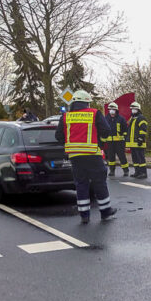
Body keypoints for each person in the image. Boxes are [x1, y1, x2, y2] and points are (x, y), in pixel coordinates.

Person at [54, 90, 117, 224]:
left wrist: (70, 144)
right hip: (92, 155)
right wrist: (100, 142)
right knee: (99, 182)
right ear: (87, 103)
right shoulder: (94, 113)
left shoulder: (66, 117)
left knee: (81, 184)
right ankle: (106, 212)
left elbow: (58, 137)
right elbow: (106, 131)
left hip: (75, 156)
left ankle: (84, 215)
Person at [102, 103, 129, 177]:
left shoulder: (121, 118)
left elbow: (125, 130)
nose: (111, 111)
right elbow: (103, 129)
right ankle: (112, 171)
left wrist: (124, 137)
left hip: (119, 141)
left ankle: (126, 170)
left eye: (113, 109)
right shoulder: (106, 118)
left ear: (116, 110)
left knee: (122, 156)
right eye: (110, 109)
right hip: (110, 142)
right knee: (111, 157)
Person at [125, 102, 148, 179]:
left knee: (141, 158)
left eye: (134, 109)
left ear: (138, 109)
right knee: (135, 159)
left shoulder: (141, 118)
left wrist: (140, 139)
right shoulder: (132, 118)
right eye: (132, 109)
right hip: (133, 143)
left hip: (139, 142)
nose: (133, 110)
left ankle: (143, 173)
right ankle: (137, 172)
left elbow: (143, 129)